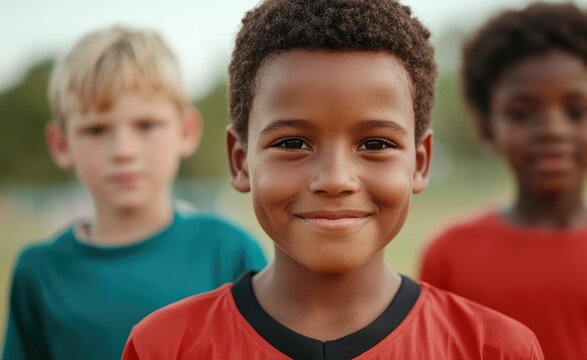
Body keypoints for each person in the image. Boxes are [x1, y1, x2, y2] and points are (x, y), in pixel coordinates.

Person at [121, 1, 544, 359]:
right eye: (292, 142)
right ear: (240, 161)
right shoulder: (165, 345)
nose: (336, 179)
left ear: (419, 162)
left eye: (375, 144)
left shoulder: (494, 348)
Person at [2, 26, 267, 360]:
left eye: (145, 125)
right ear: (61, 143)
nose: (123, 150)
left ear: (186, 131)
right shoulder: (39, 272)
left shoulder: (228, 251)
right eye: (96, 129)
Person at [418, 2, 587, 359]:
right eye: (522, 113)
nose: (552, 129)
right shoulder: (449, 253)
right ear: (488, 129)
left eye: (576, 111)